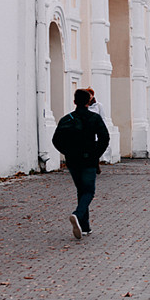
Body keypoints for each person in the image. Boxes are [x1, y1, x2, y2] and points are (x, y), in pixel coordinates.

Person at [52, 89, 110, 239]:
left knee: (81, 190)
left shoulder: (67, 119)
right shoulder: (94, 118)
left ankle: (85, 226)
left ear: (74, 102)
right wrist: (96, 153)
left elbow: (56, 140)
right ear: (88, 102)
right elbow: (105, 137)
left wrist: (67, 152)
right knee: (89, 191)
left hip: (73, 160)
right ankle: (77, 214)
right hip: (89, 158)